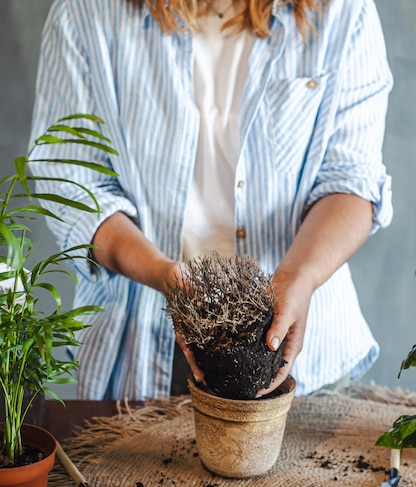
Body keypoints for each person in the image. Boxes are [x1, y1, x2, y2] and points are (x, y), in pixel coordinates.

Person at [29, 0, 393, 400]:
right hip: (140, 352)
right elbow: (74, 183)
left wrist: (298, 276)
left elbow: (351, 183)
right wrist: (162, 273)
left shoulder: (341, 11)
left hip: (308, 359)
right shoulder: (86, 12)